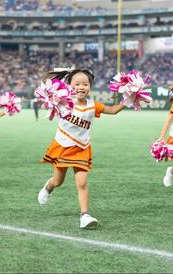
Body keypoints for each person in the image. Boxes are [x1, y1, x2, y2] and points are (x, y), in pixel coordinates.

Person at [37, 69, 125, 229]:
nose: (81, 87)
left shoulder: (93, 105)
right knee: (58, 181)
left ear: (90, 87)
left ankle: (85, 215)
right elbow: (45, 97)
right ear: (69, 86)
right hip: (63, 145)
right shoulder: (62, 100)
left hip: (82, 148)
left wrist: (130, 99)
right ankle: (48, 187)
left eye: (85, 84)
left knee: (82, 182)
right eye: (76, 84)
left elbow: (112, 110)